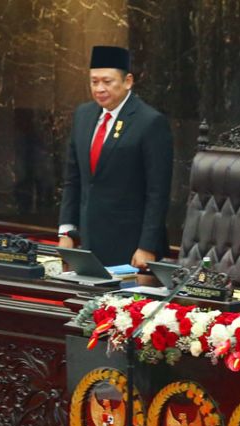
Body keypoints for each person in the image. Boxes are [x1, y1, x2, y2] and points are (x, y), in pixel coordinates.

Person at [58, 45, 174, 268]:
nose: (99, 88)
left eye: (107, 81)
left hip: (131, 247)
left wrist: (147, 246)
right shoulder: (83, 115)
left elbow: (157, 192)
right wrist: (67, 230)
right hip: (88, 242)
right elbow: (73, 180)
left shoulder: (149, 122)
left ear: (128, 81)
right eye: (94, 81)